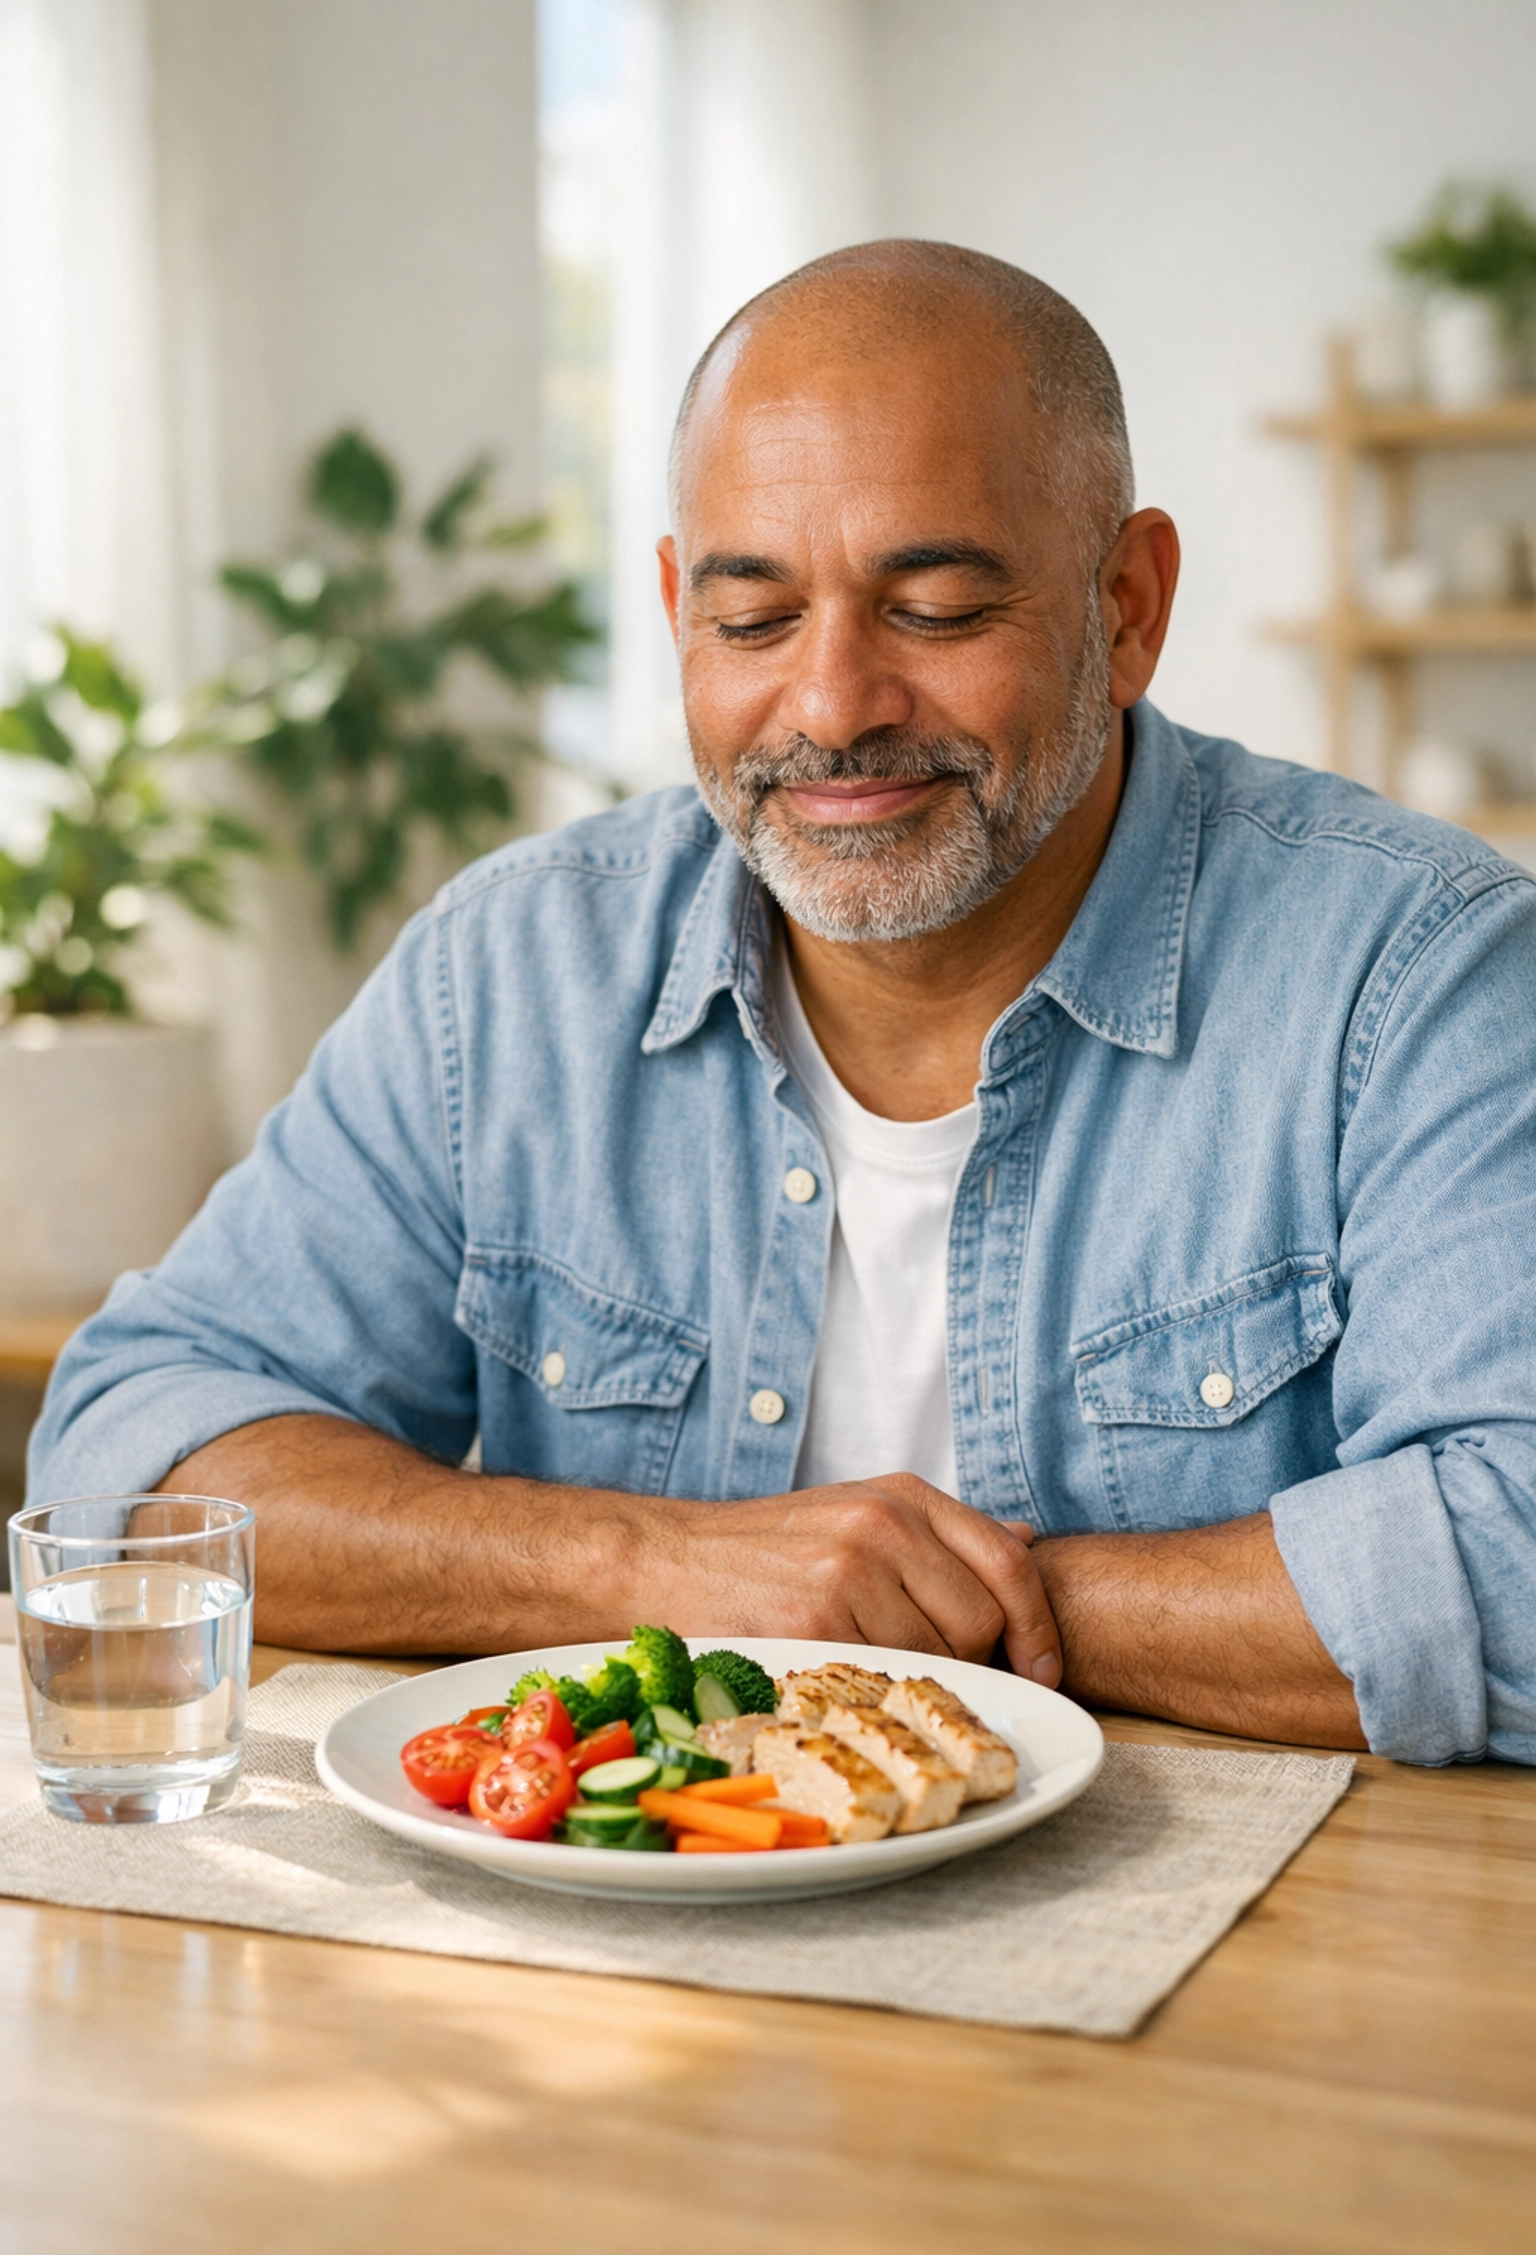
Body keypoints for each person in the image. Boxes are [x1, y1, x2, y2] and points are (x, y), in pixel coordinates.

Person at [30, 242, 1536, 1767]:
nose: (831, 708)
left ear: (1129, 606)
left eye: (937, 608)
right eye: (753, 621)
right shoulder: (510, 975)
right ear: (679, 605)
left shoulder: (1423, 976)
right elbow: (138, 1455)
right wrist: (660, 1574)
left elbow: (1523, 1557)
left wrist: (949, 1610)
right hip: (622, 1982)